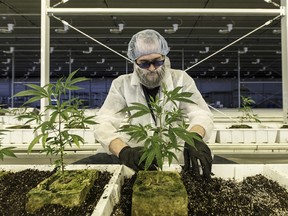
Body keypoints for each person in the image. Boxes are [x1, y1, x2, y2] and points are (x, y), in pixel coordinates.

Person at [75, 29, 214, 180]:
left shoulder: (180, 79)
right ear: (134, 62)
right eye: (144, 63)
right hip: (138, 156)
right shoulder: (122, 84)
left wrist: (194, 138)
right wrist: (124, 151)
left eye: (157, 61)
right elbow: (104, 121)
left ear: (164, 57)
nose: (152, 68)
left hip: (176, 153)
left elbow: (200, 113)